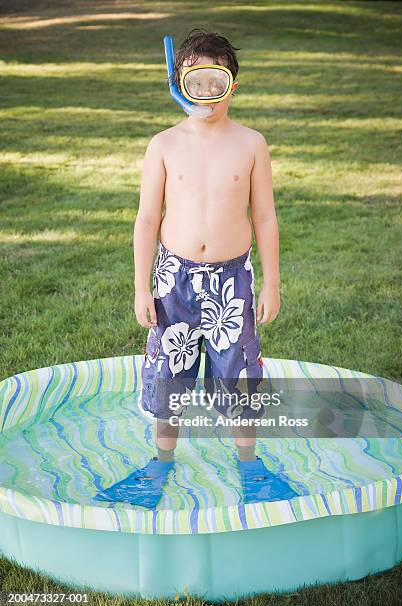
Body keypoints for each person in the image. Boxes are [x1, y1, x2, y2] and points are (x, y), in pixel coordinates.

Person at [101, 29, 284, 508]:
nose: (205, 94)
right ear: (178, 84)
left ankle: (251, 466)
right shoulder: (163, 145)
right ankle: (161, 463)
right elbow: (147, 219)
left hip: (233, 281)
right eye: (195, 82)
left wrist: (272, 282)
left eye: (215, 82)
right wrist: (142, 288)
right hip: (173, 279)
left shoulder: (251, 144)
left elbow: (264, 216)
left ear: (232, 86)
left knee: (240, 376)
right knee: (168, 375)